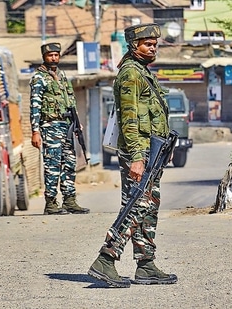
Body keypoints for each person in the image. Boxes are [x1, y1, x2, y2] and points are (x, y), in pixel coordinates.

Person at [87, 23, 177, 288]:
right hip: (138, 151)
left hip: (152, 150)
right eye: (147, 44)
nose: (153, 48)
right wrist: (137, 157)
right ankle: (106, 258)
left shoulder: (142, 72)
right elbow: (129, 120)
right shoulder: (130, 75)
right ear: (133, 45)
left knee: (150, 206)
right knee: (138, 203)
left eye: (154, 44)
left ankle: (146, 265)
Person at [29, 42, 90, 215]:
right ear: (44, 57)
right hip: (50, 126)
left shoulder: (62, 76)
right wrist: (35, 131)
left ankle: (70, 201)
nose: (54, 58)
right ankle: (51, 203)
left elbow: (70, 101)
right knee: (52, 165)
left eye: (56, 55)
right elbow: (35, 106)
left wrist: (77, 122)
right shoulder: (38, 78)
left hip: (67, 126)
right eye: (50, 55)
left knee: (70, 163)